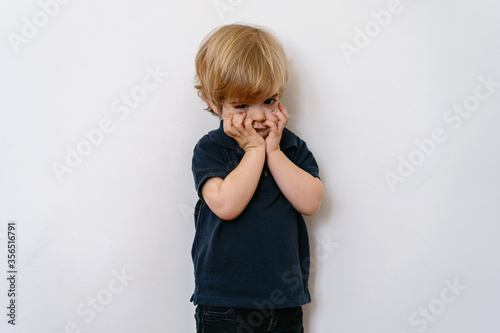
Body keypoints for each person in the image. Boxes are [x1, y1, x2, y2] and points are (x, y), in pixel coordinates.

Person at [191, 23, 324, 333]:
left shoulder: (290, 146)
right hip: (224, 302)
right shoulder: (211, 149)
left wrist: (273, 151)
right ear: (215, 104)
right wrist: (253, 151)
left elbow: (311, 201)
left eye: (269, 101)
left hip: (284, 301)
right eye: (241, 106)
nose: (260, 116)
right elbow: (225, 205)